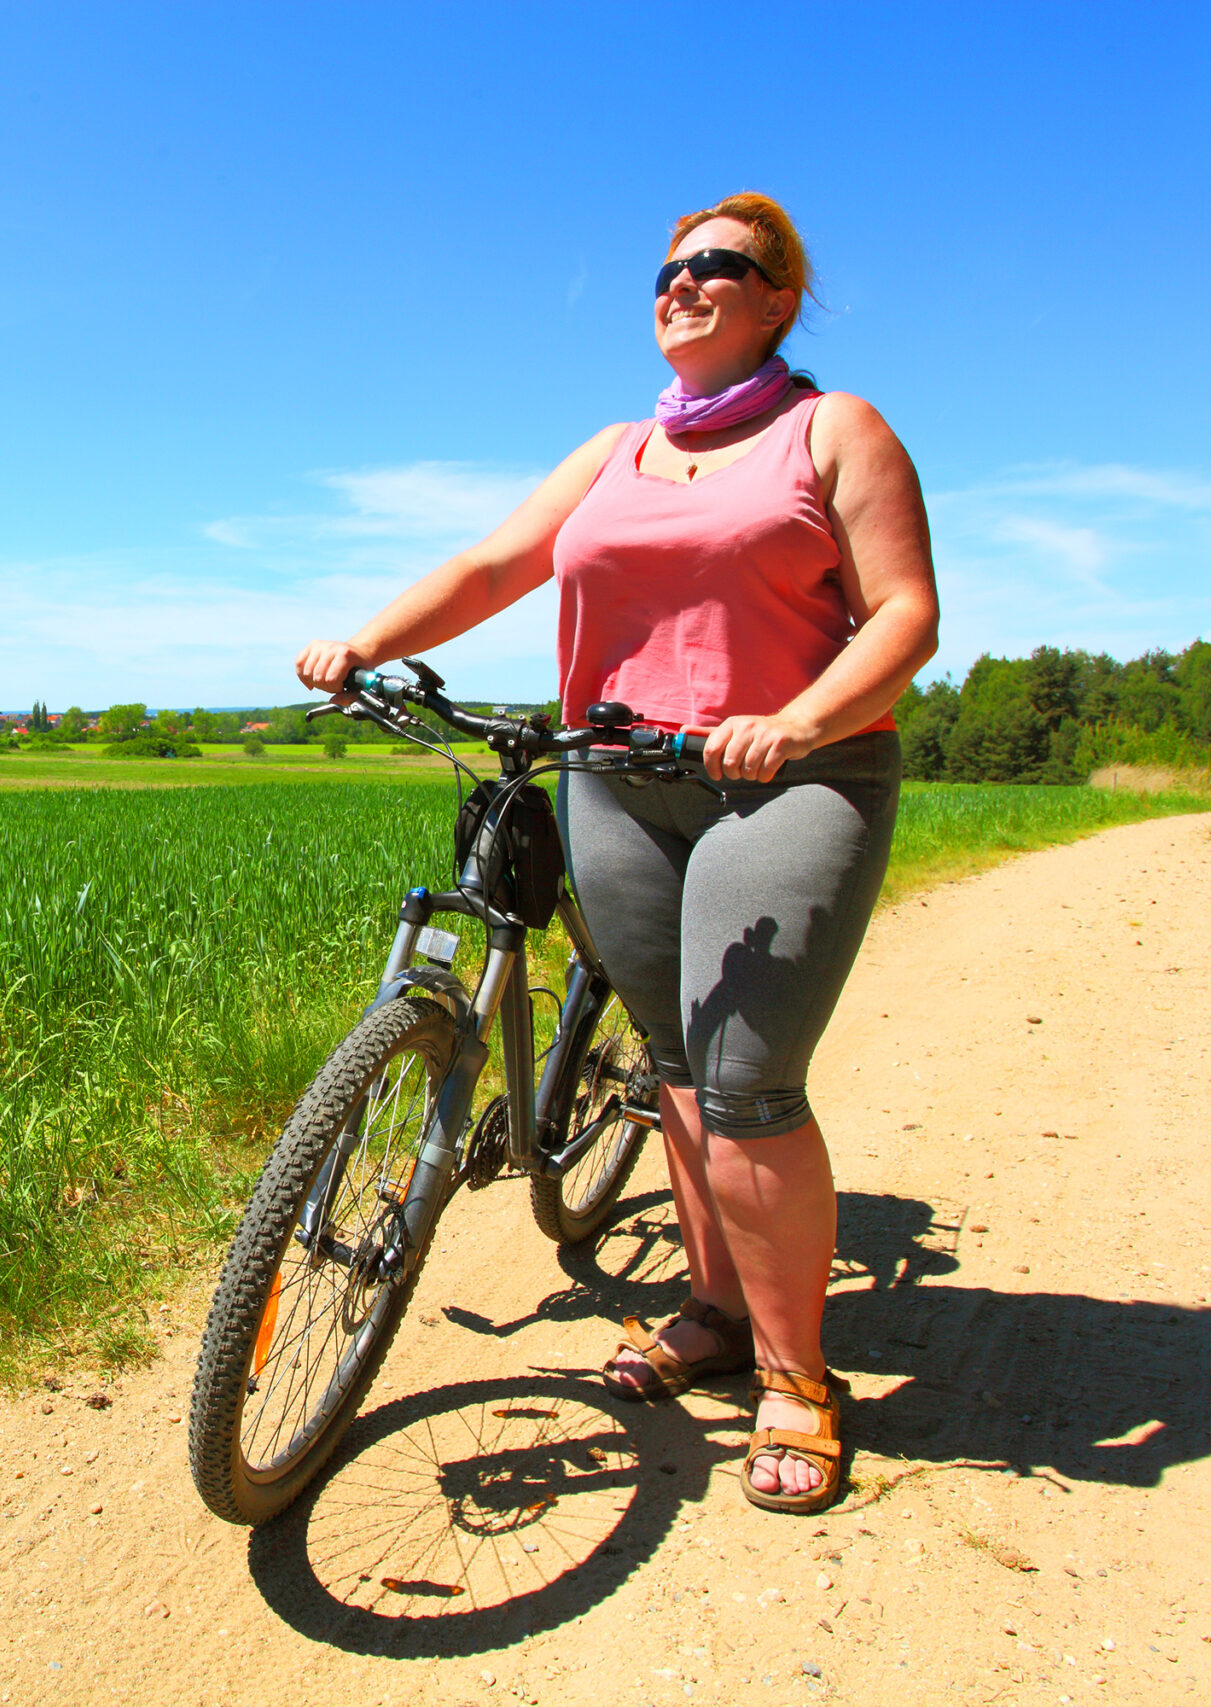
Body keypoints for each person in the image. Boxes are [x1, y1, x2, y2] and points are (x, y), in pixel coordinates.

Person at [294, 192, 938, 1515]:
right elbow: (490, 568)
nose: (685, 282)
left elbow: (905, 616)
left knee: (750, 1081)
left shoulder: (834, 431)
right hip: (622, 783)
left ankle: (798, 1378)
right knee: (676, 1064)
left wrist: (801, 719)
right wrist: (363, 641)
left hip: (789, 778)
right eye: (669, 268)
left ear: (776, 303)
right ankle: (713, 1307)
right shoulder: (614, 452)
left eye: (723, 267)